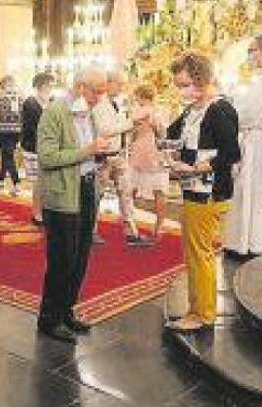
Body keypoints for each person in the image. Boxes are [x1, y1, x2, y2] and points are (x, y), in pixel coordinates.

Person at [166, 52, 240, 331]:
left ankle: (203, 313)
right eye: (178, 85)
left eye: (185, 84)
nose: (181, 91)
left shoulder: (219, 108)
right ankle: (196, 308)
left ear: (201, 79)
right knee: (194, 253)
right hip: (192, 189)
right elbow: (174, 134)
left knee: (200, 254)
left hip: (208, 192)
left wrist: (198, 168)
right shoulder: (194, 108)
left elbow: (232, 153)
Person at [36, 67, 110, 344]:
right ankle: (49, 318)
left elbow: (85, 148)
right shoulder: (55, 112)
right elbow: (47, 157)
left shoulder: (85, 111)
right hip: (62, 195)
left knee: (80, 258)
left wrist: (98, 156)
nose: (100, 98)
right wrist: (87, 152)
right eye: (97, 91)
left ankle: (66, 311)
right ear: (81, 87)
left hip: (85, 188)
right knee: (62, 260)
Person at [225, 34, 262, 256]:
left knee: (250, 190)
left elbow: (249, 113)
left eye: (251, 50)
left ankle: (247, 243)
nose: (249, 56)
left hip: (257, 141)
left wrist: (230, 108)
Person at [92, 71, 142, 244]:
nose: (122, 88)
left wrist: (131, 127)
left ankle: (131, 232)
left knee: (126, 193)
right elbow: (104, 130)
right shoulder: (99, 103)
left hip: (119, 155)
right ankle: (90, 231)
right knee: (96, 195)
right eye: (119, 84)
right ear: (109, 83)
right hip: (103, 157)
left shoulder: (117, 103)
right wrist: (130, 123)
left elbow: (119, 128)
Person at [128, 84, 169, 242]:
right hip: (156, 154)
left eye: (137, 96)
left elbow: (131, 134)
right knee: (160, 192)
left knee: (130, 190)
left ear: (141, 96)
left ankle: (131, 225)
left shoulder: (136, 112)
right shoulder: (161, 112)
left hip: (140, 152)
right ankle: (159, 228)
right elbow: (163, 134)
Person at [22, 73, 55, 225]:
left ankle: (45, 210)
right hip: (33, 148)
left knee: (47, 182)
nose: (52, 87)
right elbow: (31, 128)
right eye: (50, 84)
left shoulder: (53, 101)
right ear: (42, 85)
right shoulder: (30, 103)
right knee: (38, 183)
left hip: (49, 147)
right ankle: (37, 214)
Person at [0, 75, 23, 196]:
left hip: (8, 129)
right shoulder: (17, 94)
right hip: (11, 130)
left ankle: (15, 182)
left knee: (8, 155)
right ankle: (3, 179)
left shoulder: (5, 94)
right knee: (7, 154)